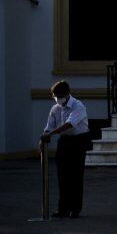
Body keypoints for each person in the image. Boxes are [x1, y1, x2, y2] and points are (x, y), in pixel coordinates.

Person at [41, 81, 90, 218]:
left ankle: (75, 208)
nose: (57, 98)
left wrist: (51, 134)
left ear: (67, 94)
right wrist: (44, 137)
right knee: (62, 176)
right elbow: (49, 126)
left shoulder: (78, 106)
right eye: (55, 96)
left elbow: (69, 124)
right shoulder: (55, 108)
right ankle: (63, 208)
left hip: (78, 141)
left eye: (59, 95)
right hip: (64, 142)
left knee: (75, 175)